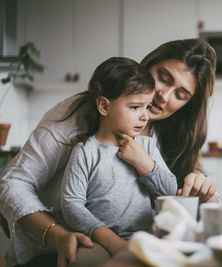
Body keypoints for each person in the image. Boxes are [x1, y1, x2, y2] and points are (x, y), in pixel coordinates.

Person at [0, 38, 217, 267]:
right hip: (61, 246)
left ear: (187, 105)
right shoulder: (81, 122)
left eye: (180, 94)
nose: (164, 95)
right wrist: (56, 234)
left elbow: (178, 199)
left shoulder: (169, 138)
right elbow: (13, 183)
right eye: (163, 77)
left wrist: (207, 194)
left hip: (138, 244)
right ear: (148, 65)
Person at [58, 57, 177, 267]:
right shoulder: (86, 151)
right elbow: (71, 205)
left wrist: (145, 164)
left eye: (147, 107)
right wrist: (111, 242)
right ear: (104, 106)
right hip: (101, 241)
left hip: (147, 236)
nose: (144, 117)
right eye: (135, 107)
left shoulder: (147, 147)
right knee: (81, 261)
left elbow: (170, 192)